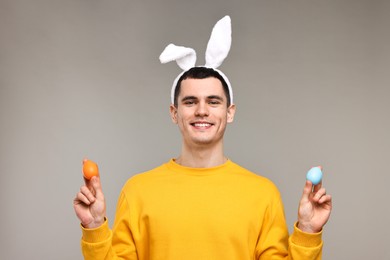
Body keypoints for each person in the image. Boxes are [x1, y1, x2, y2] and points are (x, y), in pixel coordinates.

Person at [73, 16, 332, 260]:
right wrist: (95, 227)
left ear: (229, 112)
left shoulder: (263, 194)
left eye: (213, 101)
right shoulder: (137, 192)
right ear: (174, 113)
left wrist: (307, 231)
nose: (202, 110)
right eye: (190, 101)